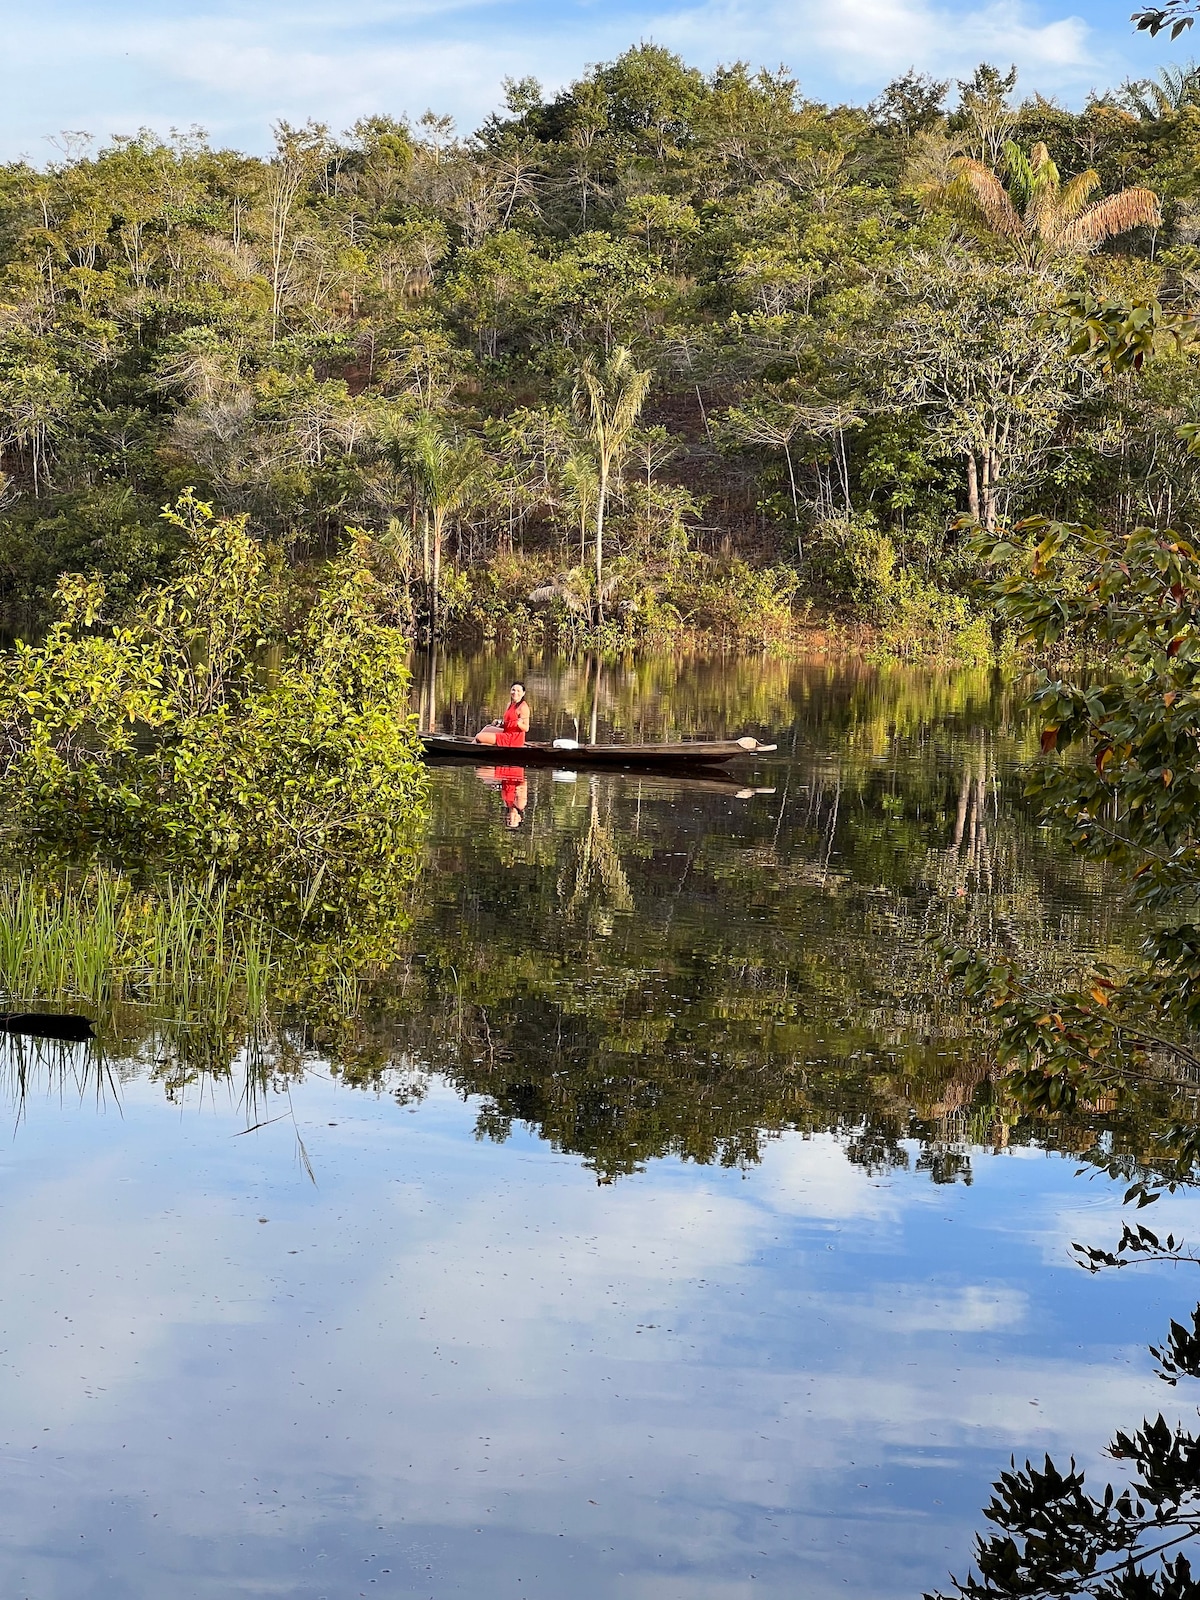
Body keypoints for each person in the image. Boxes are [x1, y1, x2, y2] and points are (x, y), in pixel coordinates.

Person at [474, 682, 530, 747]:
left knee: (479, 736)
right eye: (513, 690)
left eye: (518, 691)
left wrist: (519, 724)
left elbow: (526, 728)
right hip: (507, 732)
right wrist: (499, 723)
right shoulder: (509, 704)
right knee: (486, 728)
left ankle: (471, 748)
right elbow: (509, 722)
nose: (515, 693)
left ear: (523, 693)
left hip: (514, 738)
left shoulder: (523, 707)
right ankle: (473, 746)